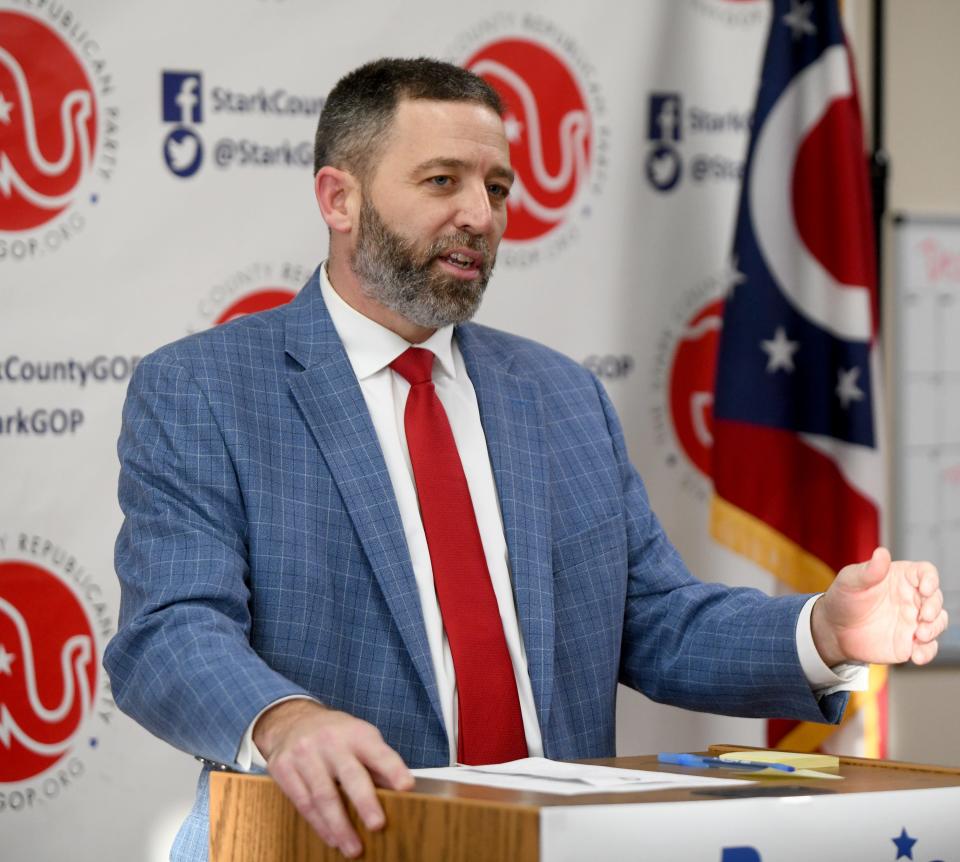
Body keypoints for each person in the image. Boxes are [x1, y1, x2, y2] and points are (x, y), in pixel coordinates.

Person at [104, 58, 947, 861]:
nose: (482, 214)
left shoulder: (559, 396)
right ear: (339, 198)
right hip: (326, 842)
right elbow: (170, 630)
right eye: (443, 182)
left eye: (497, 188)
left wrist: (823, 633)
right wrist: (285, 721)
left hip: (553, 843)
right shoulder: (207, 389)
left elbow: (659, 622)